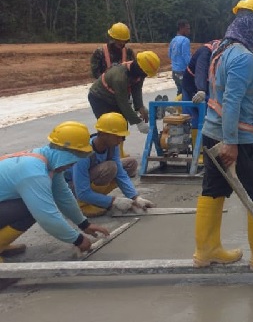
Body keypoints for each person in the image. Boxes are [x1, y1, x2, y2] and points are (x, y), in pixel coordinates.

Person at [196, 0, 253, 271]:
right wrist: (231, 143)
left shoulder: (221, 49)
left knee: (213, 189)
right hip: (237, 138)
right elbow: (232, 103)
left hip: (212, 132)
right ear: (252, 24)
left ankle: (205, 251)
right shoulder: (243, 58)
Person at [0, 121, 110, 262]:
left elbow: (63, 196)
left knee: (29, 203)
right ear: (65, 154)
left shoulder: (47, 160)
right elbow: (46, 217)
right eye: (71, 162)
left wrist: (84, 224)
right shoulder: (34, 173)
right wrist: (77, 239)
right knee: (31, 207)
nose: (71, 166)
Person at [65, 113, 154, 217]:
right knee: (110, 168)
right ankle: (84, 203)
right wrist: (113, 201)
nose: (120, 141)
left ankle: (96, 197)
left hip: (93, 174)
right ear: (103, 134)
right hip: (73, 185)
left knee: (130, 164)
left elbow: (120, 173)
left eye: (122, 137)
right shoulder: (85, 153)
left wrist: (135, 197)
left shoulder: (112, 146)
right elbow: (82, 192)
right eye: (117, 137)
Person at [88, 51, 160, 136]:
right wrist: (138, 122)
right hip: (100, 98)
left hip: (115, 96)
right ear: (139, 68)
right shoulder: (120, 78)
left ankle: (118, 149)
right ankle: (105, 148)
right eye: (145, 73)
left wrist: (140, 107)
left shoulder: (139, 74)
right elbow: (123, 103)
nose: (145, 76)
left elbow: (137, 90)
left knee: (121, 126)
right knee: (109, 128)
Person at [182, 39, 221, 139]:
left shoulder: (219, 53)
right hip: (192, 87)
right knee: (195, 117)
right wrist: (201, 90)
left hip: (206, 86)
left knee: (210, 115)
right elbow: (201, 71)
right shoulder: (205, 53)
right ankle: (198, 149)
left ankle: (207, 141)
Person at [169, 20, 192, 96]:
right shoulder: (185, 40)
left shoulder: (173, 40)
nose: (189, 31)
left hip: (174, 72)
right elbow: (186, 57)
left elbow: (169, 55)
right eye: (187, 28)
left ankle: (177, 106)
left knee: (179, 92)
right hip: (183, 71)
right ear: (181, 28)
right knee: (187, 93)